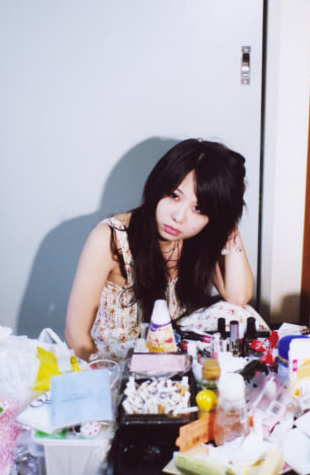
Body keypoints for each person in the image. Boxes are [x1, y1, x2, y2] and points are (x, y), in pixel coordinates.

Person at [65, 139, 255, 361]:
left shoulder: (197, 237)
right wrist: (108, 376)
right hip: (118, 362)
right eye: (174, 196)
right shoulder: (110, 238)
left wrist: (228, 218)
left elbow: (238, 296)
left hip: (172, 354)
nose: (179, 217)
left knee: (240, 315)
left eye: (198, 208)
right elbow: (76, 336)